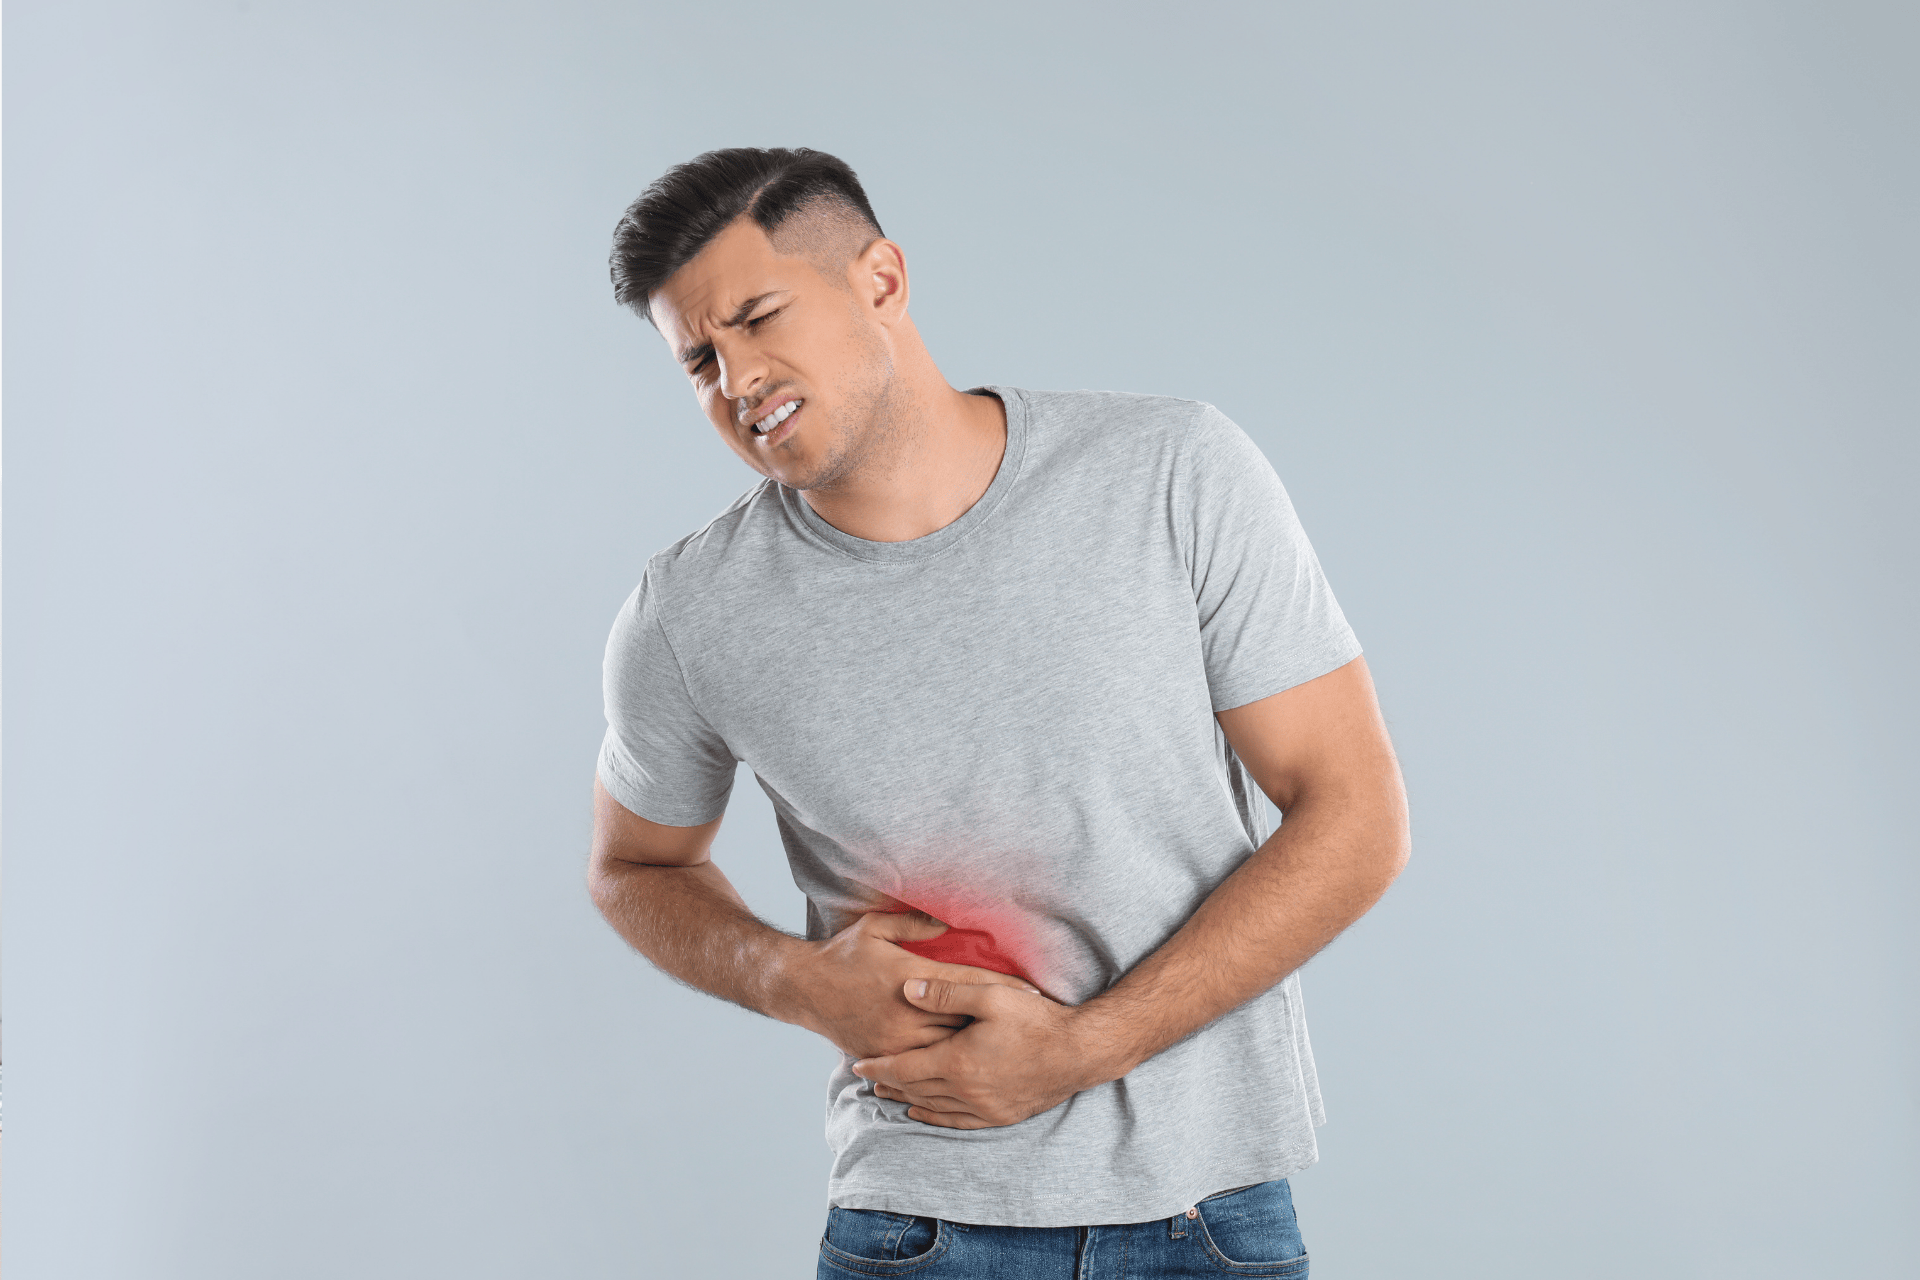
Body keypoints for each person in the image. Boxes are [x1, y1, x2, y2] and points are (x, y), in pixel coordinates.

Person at [588, 146, 1409, 1279]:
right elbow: (633, 866)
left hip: (1205, 1215)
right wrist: (790, 978)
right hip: (915, 1222)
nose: (736, 378)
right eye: (698, 359)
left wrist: (1082, 1048)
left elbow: (1355, 817)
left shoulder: (1170, 472)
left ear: (881, 279)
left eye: (758, 316)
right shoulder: (688, 612)